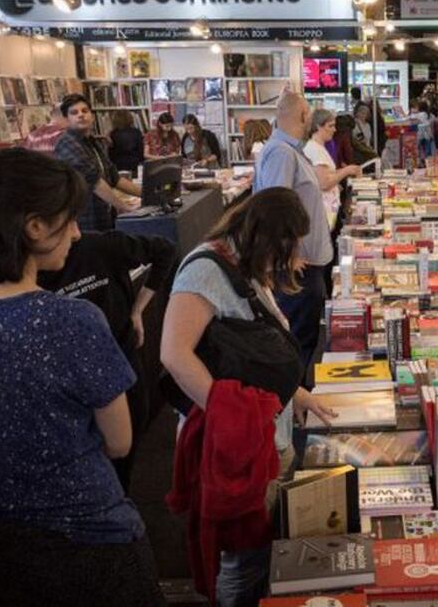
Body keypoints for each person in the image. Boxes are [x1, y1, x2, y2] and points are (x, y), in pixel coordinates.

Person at [0, 149, 164, 605]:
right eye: (68, 220)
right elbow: (120, 442)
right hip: (83, 538)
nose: (76, 232)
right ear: (33, 227)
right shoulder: (71, 321)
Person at [161, 188, 335, 606]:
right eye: (291, 247)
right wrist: (230, 416)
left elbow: (253, 357)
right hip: (238, 446)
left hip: (263, 438)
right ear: (269, 238)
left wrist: (298, 395)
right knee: (242, 558)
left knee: (259, 549)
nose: (296, 259)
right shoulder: (206, 270)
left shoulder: (242, 265)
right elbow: (173, 352)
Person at [38, 230, 176, 492]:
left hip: (124, 368)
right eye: (67, 222)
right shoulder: (29, 276)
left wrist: (137, 309)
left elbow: (165, 250)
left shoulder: (101, 246)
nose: (75, 232)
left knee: (122, 460)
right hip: (72, 390)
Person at [253, 92, 333, 381]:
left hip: (305, 262)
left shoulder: (288, 150)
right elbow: (274, 209)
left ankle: (295, 399)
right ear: (302, 116)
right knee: (297, 340)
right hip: (298, 266)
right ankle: (293, 404)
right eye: (308, 112)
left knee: (303, 337)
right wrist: (290, 255)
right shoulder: (281, 153)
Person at [54, 93, 137, 231]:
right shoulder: (67, 143)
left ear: (92, 116)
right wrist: (123, 206)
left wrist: (148, 194)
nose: (81, 115)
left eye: (84, 111)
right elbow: (94, 181)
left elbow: (114, 178)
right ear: (67, 120)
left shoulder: (93, 142)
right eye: (74, 113)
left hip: (104, 215)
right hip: (86, 222)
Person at [304, 108, 362, 226]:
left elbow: (328, 173)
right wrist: (346, 171)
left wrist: (345, 170)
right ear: (318, 126)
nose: (334, 130)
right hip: (323, 212)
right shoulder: (315, 150)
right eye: (330, 126)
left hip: (328, 211)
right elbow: (324, 183)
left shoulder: (319, 147)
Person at [108, 110, 144, 175]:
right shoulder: (137, 132)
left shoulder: (112, 134)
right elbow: (141, 153)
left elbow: (111, 155)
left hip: (118, 166)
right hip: (134, 165)